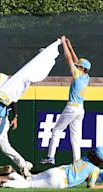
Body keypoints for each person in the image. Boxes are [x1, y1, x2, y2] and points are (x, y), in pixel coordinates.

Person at [39, 36, 91, 165]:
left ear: (82, 68)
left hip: (72, 107)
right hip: (80, 109)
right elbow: (75, 60)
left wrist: (63, 43)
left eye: (79, 66)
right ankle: (77, 163)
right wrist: (70, 44)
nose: (76, 66)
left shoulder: (78, 74)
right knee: (75, 138)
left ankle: (50, 157)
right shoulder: (86, 76)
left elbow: (69, 59)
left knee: (56, 131)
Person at [0, 147, 103, 189]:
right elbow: (90, 186)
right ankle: (3, 183)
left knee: (30, 179)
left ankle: (12, 173)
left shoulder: (85, 159)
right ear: (100, 160)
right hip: (60, 182)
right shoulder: (95, 169)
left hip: (57, 170)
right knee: (28, 185)